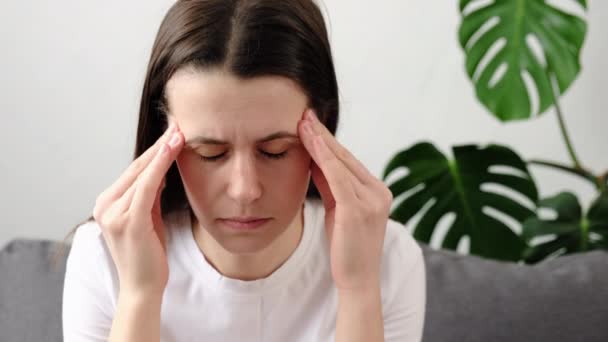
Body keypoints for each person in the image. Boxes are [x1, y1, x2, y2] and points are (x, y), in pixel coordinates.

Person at [61, 0, 426, 341]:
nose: (244, 190)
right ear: (163, 136)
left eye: (275, 151)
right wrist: (139, 294)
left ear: (323, 126)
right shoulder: (103, 257)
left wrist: (359, 288)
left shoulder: (387, 258)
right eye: (209, 153)